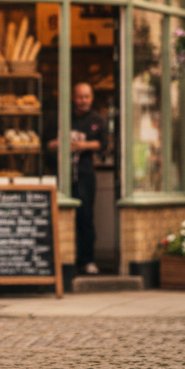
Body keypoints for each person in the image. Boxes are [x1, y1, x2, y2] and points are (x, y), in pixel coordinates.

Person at [47, 83, 109, 275]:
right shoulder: (60, 117)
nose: (83, 101)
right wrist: (59, 144)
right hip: (60, 174)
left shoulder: (97, 119)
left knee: (85, 217)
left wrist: (83, 145)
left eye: (87, 97)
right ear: (73, 98)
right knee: (59, 216)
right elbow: (47, 144)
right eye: (80, 97)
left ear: (92, 98)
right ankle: (61, 259)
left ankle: (87, 260)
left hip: (85, 174)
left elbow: (103, 144)